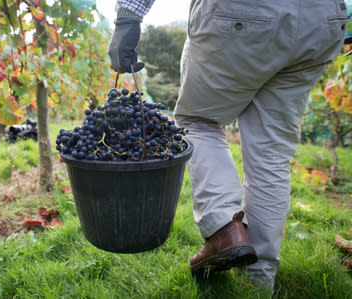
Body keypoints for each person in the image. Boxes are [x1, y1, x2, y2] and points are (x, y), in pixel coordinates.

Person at [108, 0, 347, 292]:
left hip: (246, 14)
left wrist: (128, 17)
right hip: (322, 21)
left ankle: (224, 229)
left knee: (198, 122)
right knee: (271, 155)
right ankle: (258, 281)